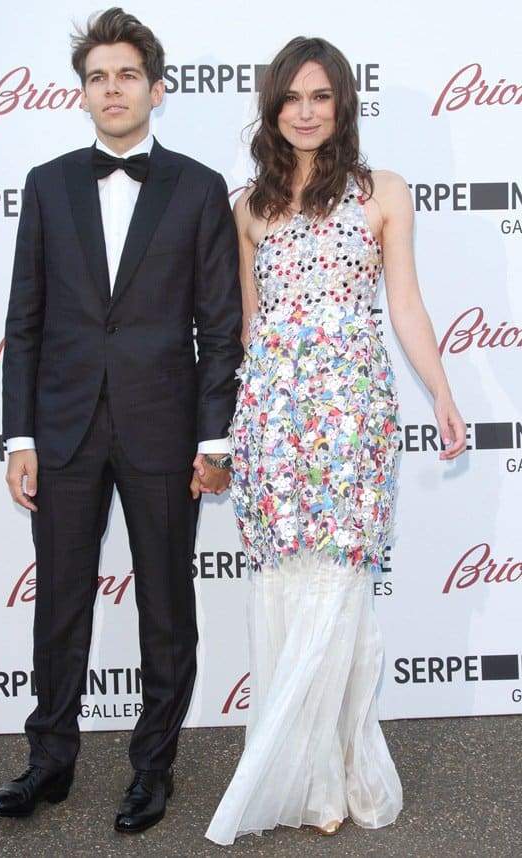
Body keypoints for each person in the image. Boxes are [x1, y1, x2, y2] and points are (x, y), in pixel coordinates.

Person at [0, 7, 242, 834]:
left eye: (128, 74)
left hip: (167, 431)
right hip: (60, 431)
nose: (113, 88)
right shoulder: (47, 183)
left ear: (156, 90)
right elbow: (23, 321)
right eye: (98, 77)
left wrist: (214, 439)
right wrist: (19, 435)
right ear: (83, 94)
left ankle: (152, 767)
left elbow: (221, 328)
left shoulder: (199, 187)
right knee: (59, 603)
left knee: (166, 606)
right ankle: (49, 763)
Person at [206, 36, 466, 845]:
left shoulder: (383, 191)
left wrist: (445, 392)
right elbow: (245, 328)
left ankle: (338, 767)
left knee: (341, 593)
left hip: (354, 408)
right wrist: (225, 436)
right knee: (287, 586)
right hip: (274, 414)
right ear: (272, 107)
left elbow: (408, 305)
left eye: (321, 97)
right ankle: (308, 780)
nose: (307, 112)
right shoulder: (247, 207)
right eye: (292, 98)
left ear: (343, 103)